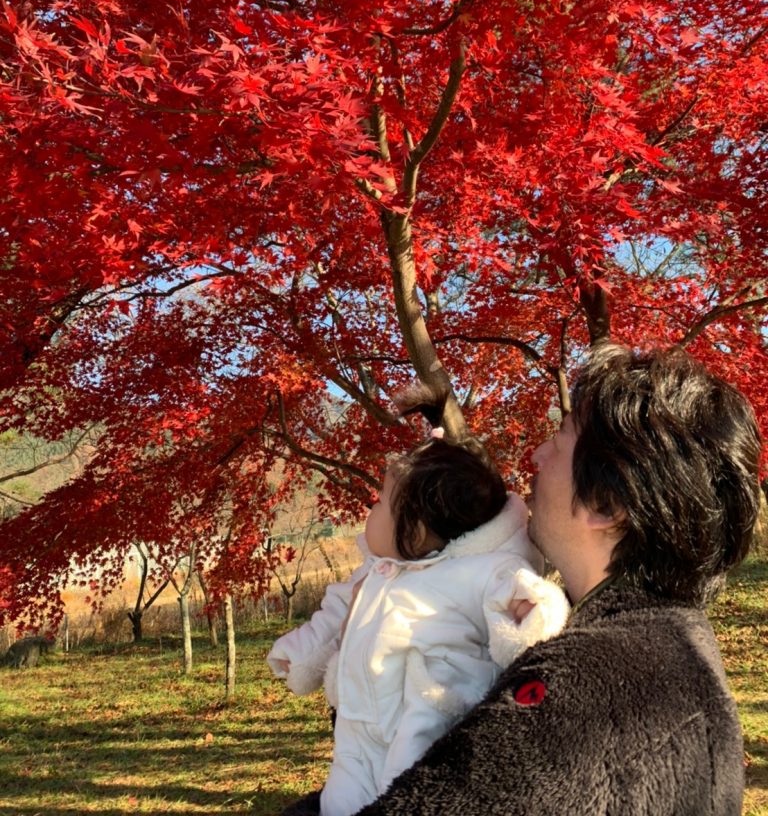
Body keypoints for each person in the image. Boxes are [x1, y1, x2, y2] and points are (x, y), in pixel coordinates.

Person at [280, 345, 762, 816]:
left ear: (606, 506)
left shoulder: (591, 691)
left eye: (559, 439)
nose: (535, 455)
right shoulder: (669, 656)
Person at [267, 387, 569, 816]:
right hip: (359, 720)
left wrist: (530, 613)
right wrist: (300, 655)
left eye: (381, 503)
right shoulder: (375, 572)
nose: (370, 511)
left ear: (416, 531)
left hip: (431, 704)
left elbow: (519, 589)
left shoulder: (474, 568)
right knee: (341, 797)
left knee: (413, 789)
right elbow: (335, 613)